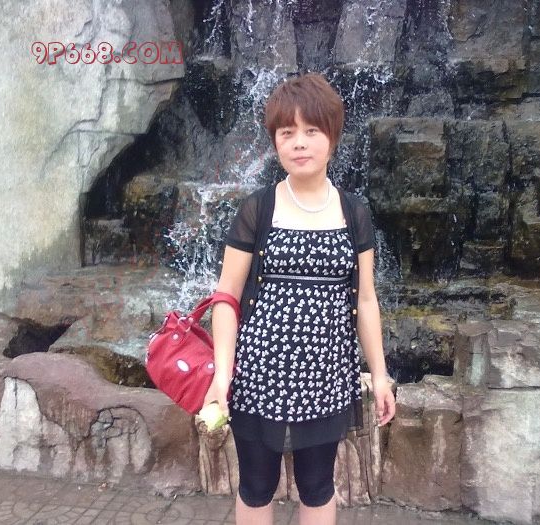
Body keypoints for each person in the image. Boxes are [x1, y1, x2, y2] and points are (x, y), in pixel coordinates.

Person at [205, 72, 396, 525]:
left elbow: (365, 301)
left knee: (318, 485)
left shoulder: (353, 212)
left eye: (311, 130)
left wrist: (380, 374)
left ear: (332, 136)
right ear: (275, 141)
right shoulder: (258, 208)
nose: (299, 143)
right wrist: (222, 374)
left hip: (327, 377)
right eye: (287, 132)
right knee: (256, 485)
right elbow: (226, 297)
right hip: (259, 376)